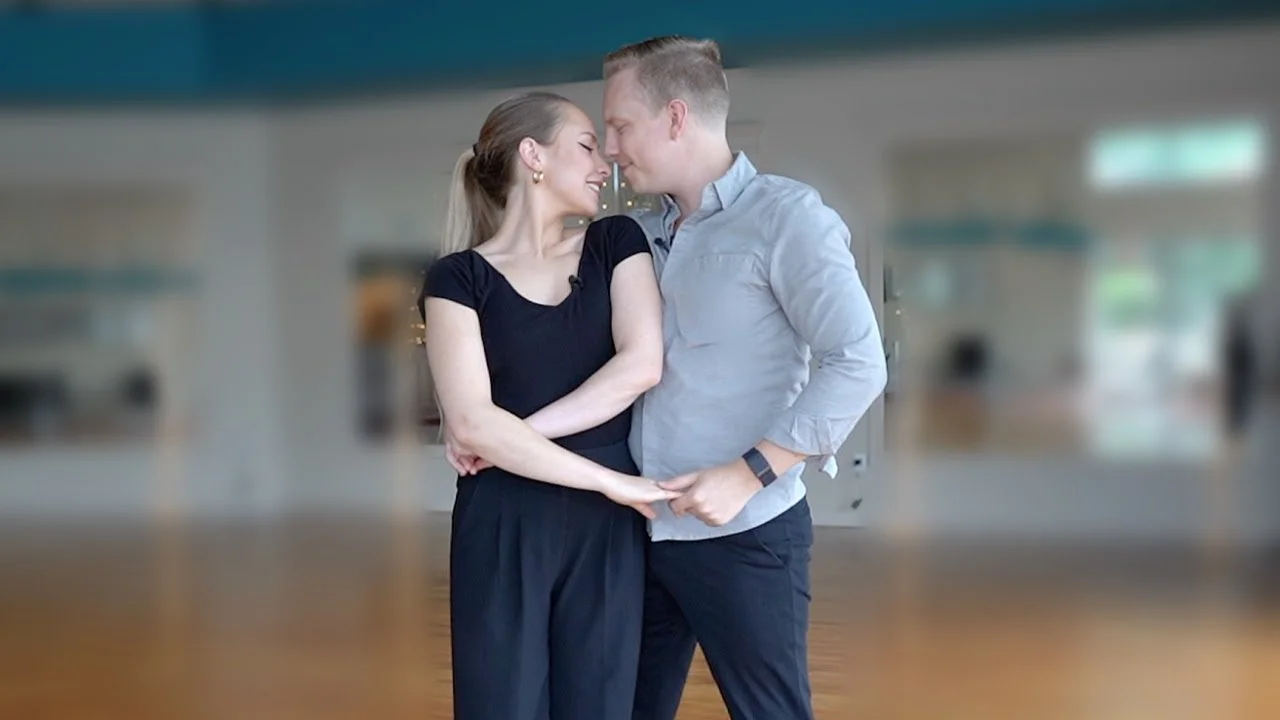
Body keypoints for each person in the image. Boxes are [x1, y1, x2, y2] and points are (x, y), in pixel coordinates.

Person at [602, 36, 888, 719]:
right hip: (642, 529)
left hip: (747, 535)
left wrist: (750, 471)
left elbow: (858, 360)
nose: (611, 147)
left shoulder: (788, 218)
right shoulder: (639, 237)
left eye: (620, 126)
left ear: (675, 117)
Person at [418, 90, 680, 720]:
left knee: (601, 703)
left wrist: (513, 437)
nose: (603, 163)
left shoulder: (617, 241)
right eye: (588, 145)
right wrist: (608, 481)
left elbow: (641, 364)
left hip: (604, 529)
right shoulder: (456, 278)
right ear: (532, 155)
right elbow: (471, 421)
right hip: (505, 521)